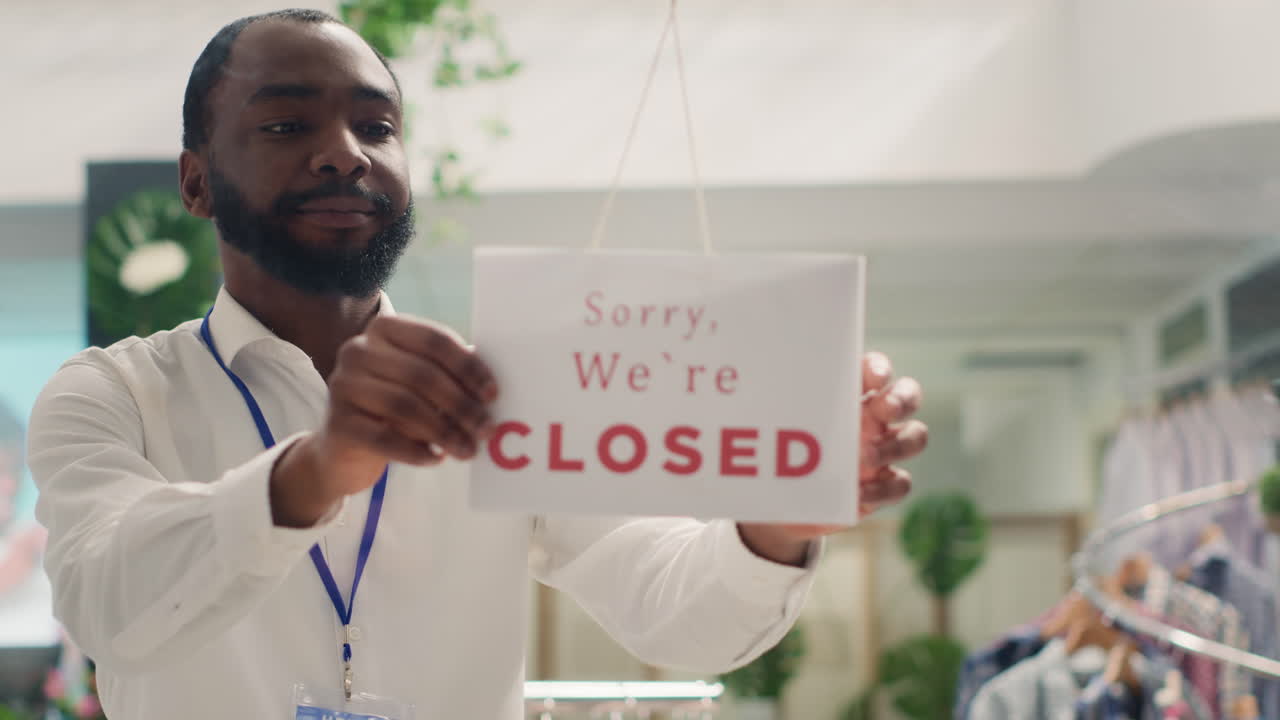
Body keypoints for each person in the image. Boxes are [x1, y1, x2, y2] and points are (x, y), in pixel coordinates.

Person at [28, 9, 928, 720]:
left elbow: (670, 603)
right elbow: (110, 599)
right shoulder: (113, 394)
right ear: (195, 181)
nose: (345, 151)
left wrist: (774, 518)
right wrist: (319, 468)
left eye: (376, 126)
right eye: (285, 123)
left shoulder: (501, 390)